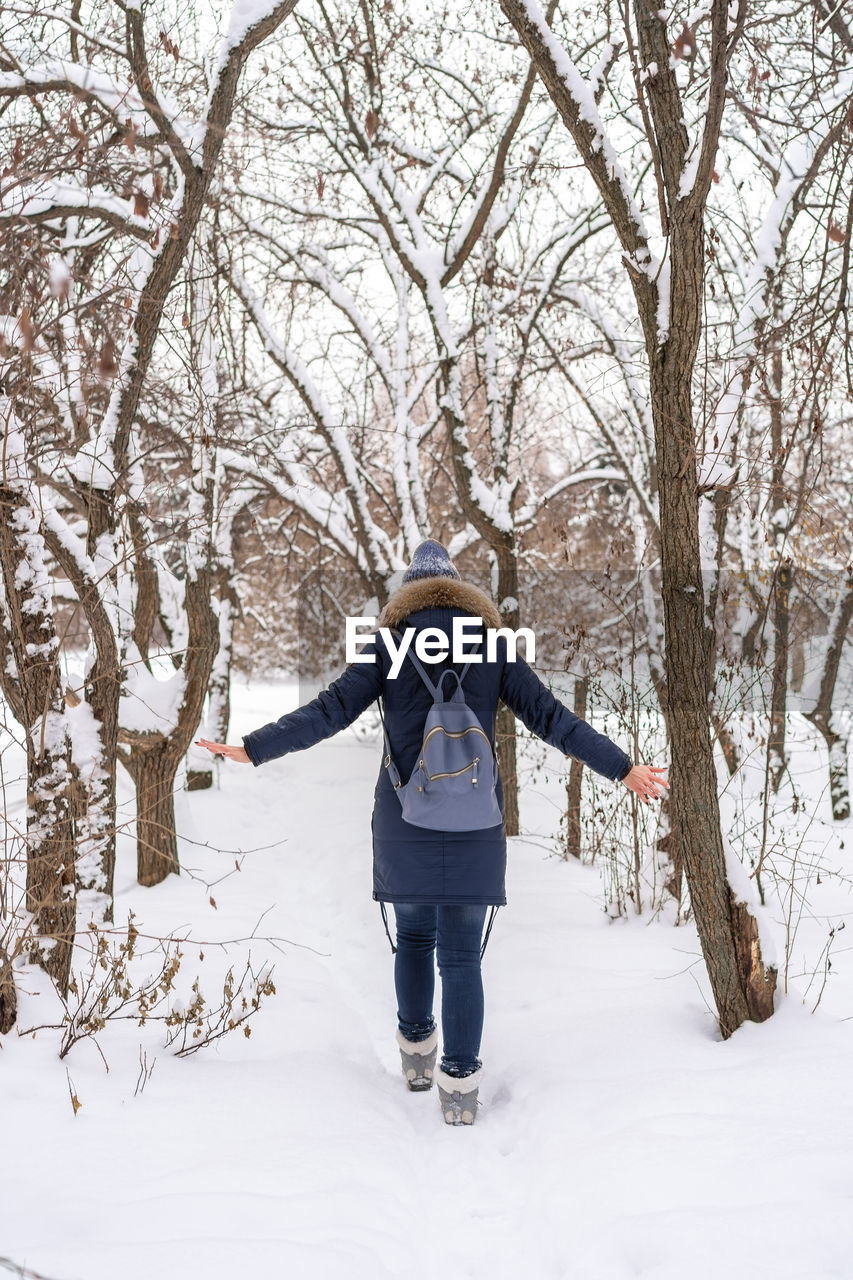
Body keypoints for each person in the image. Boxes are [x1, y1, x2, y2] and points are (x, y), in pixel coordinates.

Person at [197, 540, 667, 1126]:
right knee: (463, 957)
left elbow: (330, 710)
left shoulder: (389, 644)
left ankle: (417, 1057)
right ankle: (461, 1089)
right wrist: (622, 767)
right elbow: (552, 719)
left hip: (404, 817)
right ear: (460, 591)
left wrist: (254, 748)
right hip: (476, 821)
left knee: (415, 940)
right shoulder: (494, 644)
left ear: (410, 594)